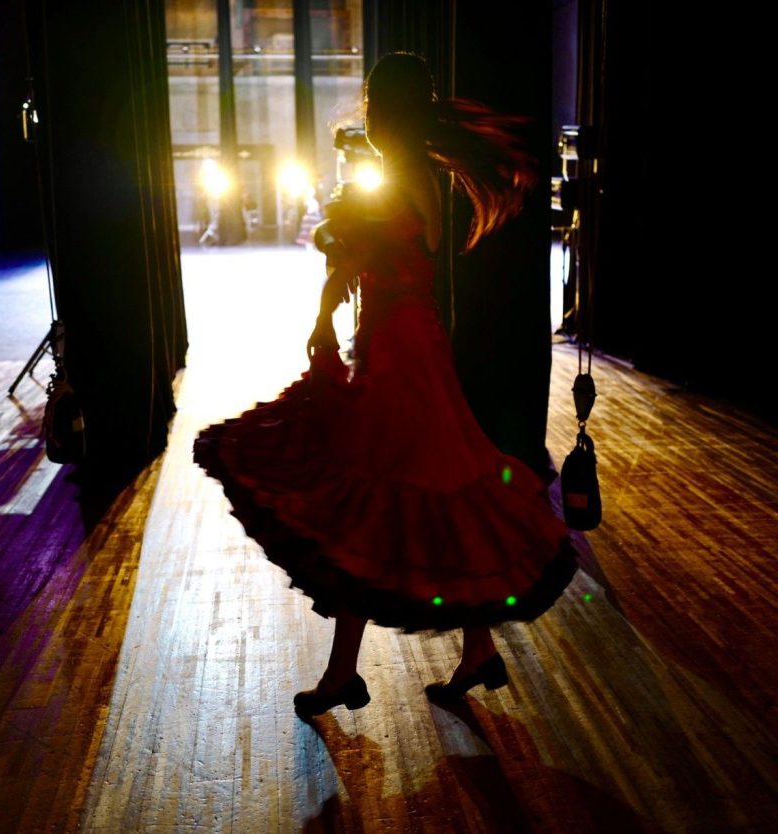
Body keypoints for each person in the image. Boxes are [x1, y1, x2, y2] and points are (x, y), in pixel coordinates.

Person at [193, 52, 576, 719]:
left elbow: (354, 259)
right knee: (424, 493)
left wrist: (321, 320)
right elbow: (367, 257)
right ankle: (472, 650)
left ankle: (347, 673)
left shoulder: (396, 178)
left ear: (384, 110)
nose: (364, 113)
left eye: (370, 103)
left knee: (372, 503)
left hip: (401, 350)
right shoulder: (423, 176)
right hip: (410, 342)